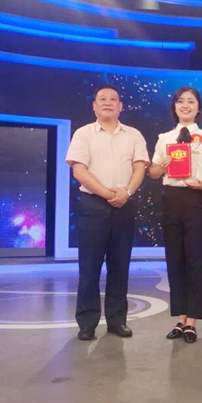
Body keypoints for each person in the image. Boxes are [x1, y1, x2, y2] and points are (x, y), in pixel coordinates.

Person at [65, 84, 149, 341]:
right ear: (94, 106)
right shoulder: (83, 134)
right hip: (93, 205)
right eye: (102, 99)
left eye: (113, 99)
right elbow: (79, 171)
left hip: (124, 204)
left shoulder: (134, 135)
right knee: (89, 267)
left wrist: (127, 192)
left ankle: (117, 321)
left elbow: (140, 168)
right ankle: (87, 323)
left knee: (120, 266)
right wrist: (106, 193)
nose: (108, 102)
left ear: (121, 106)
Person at [148, 86, 202, 343]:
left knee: (196, 259)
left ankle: (192, 320)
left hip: (195, 199)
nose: (185, 105)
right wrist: (162, 166)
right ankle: (180, 318)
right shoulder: (164, 138)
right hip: (171, 199)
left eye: (191, 101)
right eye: (180, 101)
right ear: (174, 107)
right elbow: (153, 173)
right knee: (175, 260)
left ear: (198, 108)